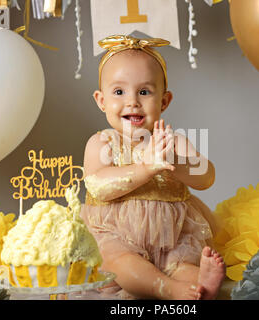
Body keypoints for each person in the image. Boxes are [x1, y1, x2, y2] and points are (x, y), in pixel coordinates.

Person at [80, 35, 225, 300]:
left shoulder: (172, 141)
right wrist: (145, 167)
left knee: (179, 265)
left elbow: (206, 176)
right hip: (117, 236)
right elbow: (98, 185)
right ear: (101, 101)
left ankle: (199, 283)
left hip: (173, 237)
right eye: (119, 92)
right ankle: (169, 289)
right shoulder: (102, 143)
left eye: (144, 92)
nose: (132, 101)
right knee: (119, 263)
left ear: (164, 101)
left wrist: (173, 162)